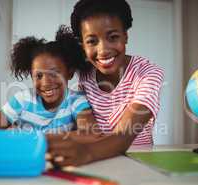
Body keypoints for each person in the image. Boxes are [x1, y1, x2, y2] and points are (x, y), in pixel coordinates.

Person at [46, 0, 164, 166]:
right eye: (92, 41)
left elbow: (124, 134)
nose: (103, 50)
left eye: (113, 37)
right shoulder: (86, 75)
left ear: (125, 36)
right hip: (100, 163)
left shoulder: (148, 74)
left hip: (138, 164)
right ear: (83, 46)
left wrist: (85, 152)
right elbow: (87, 130)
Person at [0, 26, 100, 145]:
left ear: (70, 73)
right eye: (38, 76)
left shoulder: (76, 101)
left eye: (54, 74)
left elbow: (91, 134)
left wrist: (37, 138)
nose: (46, 83)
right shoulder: (22, 99)